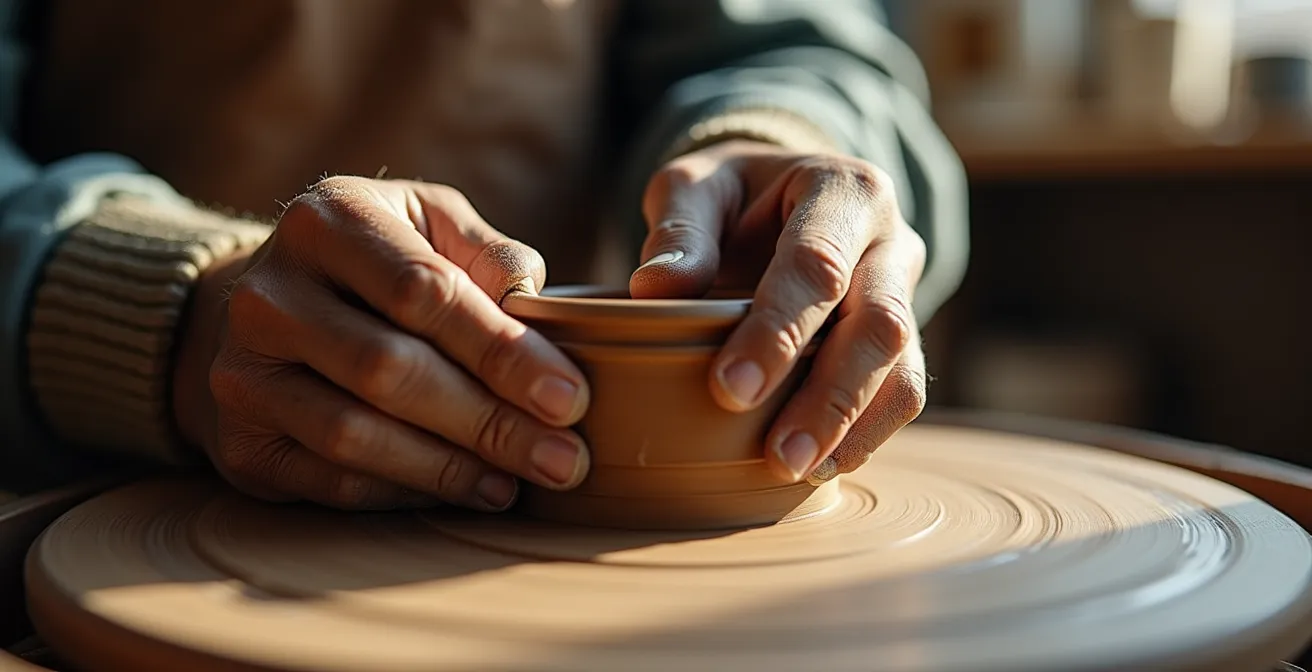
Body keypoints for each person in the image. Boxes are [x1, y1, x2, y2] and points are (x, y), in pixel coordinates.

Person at [0, 0, 967, 510]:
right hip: (117, 486)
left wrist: (776, 135)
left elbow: (799, 50)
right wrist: (160, 315)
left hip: (573, 514)